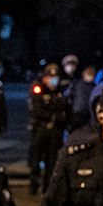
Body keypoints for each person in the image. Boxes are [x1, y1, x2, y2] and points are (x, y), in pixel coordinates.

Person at [28, 63, 71, 193]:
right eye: (50, 77)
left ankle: (48, 187)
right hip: (40, 129)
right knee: (36, 159)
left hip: (56, 131)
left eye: (55, 77)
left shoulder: (61, 91)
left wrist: (57, 117)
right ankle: (33, 185)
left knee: (52, 160)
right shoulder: (38, 89)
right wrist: (53, 115)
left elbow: (66, 111)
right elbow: (36, 111)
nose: (53, 80)